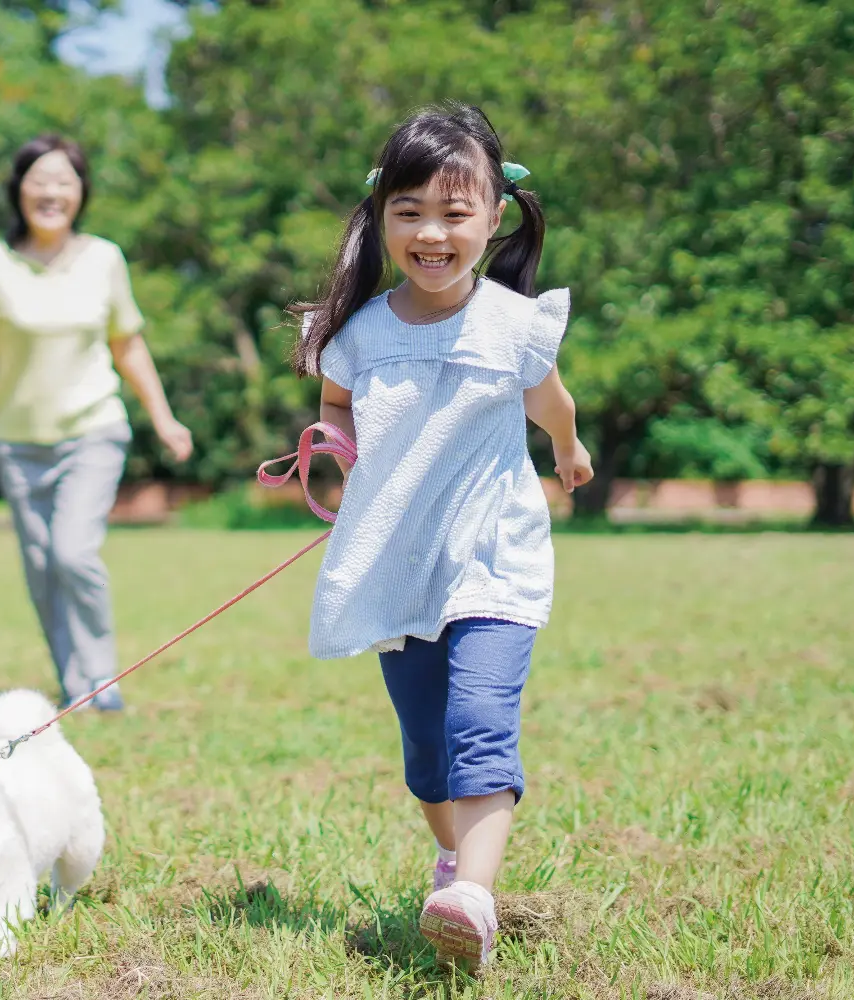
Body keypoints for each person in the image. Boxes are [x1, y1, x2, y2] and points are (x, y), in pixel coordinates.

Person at [292, 102, 594, 969]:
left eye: (455, 212)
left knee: (479, 726)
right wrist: (337, 452)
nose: (432, 232)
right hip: (399, 565)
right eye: (410, 211)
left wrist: (569, 450)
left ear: (494, 218)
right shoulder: (360, 333)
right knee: (428, 753)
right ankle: (454, 857)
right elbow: (337, 404)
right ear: (382, 216)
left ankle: (473, 897)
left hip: (494, 559)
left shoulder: (512, 324)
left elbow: (552, 402)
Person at [0, 134, 192, 712]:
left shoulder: (104, 259)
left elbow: (128, 345)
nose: (51, 192)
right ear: (18, 191)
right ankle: (74, 683)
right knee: (41, 568)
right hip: (18, 441)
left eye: (64, 181)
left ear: (81, 192)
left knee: (72, 553)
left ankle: (102, 680)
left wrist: (164, 418)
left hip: (93, 429)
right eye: (39, 181)